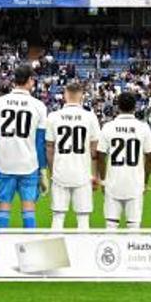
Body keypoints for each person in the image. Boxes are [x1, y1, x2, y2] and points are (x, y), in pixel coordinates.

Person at [0, 64, 49, 230]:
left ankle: (0, 253)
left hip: (4, 163)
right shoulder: (38, 106)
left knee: (3, 211)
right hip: (28, 164)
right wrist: (43, 170)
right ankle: (29, 253)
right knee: (29, 210)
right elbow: (40, 142)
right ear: (30, 80)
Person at [44, 81, 101, 230]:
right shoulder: (90, 117)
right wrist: (95, 175)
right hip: (83, 173)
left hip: (60, 172)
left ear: (65, 95)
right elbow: (95, 149)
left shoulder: (53, 116)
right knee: (83, 218)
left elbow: (49, 148)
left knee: (58, 217)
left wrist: (52, 171)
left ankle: (55, 253)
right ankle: (82, 253)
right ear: (81, 95)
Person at [98, 92, 151, 229]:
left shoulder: (108, 127)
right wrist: (145, 181)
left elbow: (100, 155)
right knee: (134, 227)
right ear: (135, 107)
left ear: (117, 107)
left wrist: (103, 179)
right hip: (135, 183)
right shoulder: (143, 128)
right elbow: (150, 156)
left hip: (113, 183)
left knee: (111, 226)